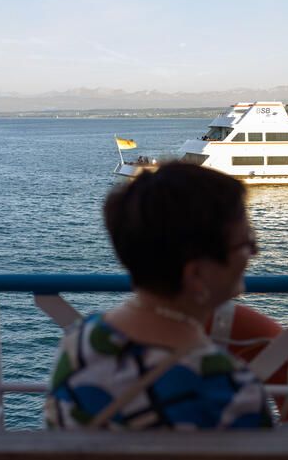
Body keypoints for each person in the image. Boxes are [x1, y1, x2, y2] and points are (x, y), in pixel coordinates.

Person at [45, 162, 272, 429]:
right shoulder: (231, 390)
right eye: (247, 244)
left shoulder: (77, 345)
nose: (254, 254)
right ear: (196, 275)